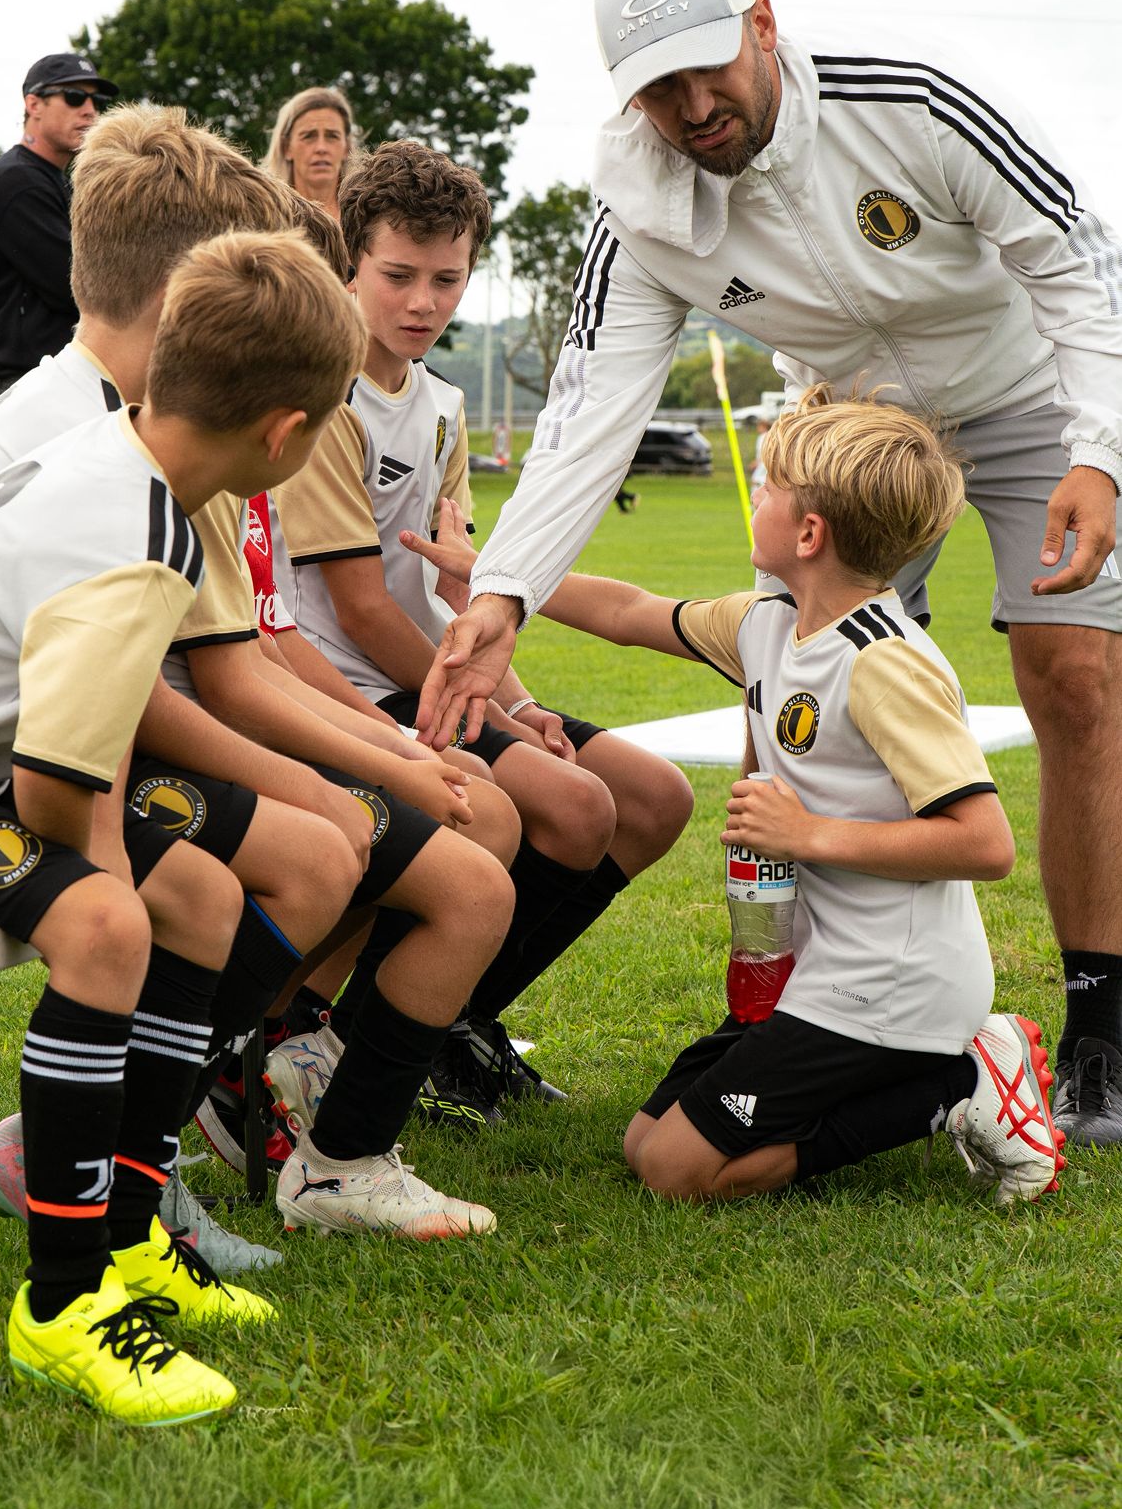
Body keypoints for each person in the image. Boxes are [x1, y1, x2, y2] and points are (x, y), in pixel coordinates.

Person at [419, 0, 1122, 1147]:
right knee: (775, 701)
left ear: (758, 23)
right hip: (849, 425)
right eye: (657, 90)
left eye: (709, 71)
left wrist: (1098, 450)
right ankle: (799, 1003)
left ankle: (1099, 1034)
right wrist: (505, 597)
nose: (694, 108)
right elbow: (589, 411)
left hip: (1024, 392)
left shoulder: (908, 98)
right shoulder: (636, 201)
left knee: (1074, 677)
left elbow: (1073, 258)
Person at [0, 230, 365, 1424]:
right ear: (287, 435)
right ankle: (64, 1304)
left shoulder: (125, 461)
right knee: (106, 922)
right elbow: (52, 792)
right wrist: (102, 913)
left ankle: (132, 1238)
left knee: (189, 898)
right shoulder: (134, 541)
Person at [0, 103, 514, 1238]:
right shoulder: (113, 442)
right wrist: (365, 766)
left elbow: (219, 659)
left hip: (62, 754)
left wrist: (389, 751)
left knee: (371, 853)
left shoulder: (151, 428)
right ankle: (187, 1145)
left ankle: (175, 1135)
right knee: (380, 864)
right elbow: (198, 686)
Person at [416, 388, 1064, 1205]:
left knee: (677, 1172)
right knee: (644, 1140)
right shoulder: (769, 620)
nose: (752, 497)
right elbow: (627, 612)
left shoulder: (885, 662)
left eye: (765, 487)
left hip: (893, 984)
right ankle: (927, 1075)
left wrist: (809, 833)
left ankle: (962, 1082)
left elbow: (985, 843)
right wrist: (493, 579)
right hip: (815, 970)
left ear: (808, 534)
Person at [273, 140, 693, 1110]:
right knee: (573, 806)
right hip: (351, 680)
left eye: (447, 278)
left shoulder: (445, 405)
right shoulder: (325, 396)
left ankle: (448, 1020)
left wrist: (523, 699)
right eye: (398, 275)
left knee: (651, 797)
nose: (423, 301)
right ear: (350, 258)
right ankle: (386, 1038)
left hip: (439, 667)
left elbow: (465, 588)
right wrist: (495, 721)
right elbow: (363, 607)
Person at [0, 52, 117, 420]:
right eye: (75, 97)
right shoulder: (15, 182)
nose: (90, 111)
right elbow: (81, 286)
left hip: (44, 387)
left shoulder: (53, 182)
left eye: (97, 101)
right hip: (15, 390)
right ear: (34, 104)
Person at [261, 87, 358, 221]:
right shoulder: (265, 218)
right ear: (286, 148)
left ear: (347, 148)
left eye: (332, 136)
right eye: (308, 136)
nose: (321, 148)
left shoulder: (366, 219)